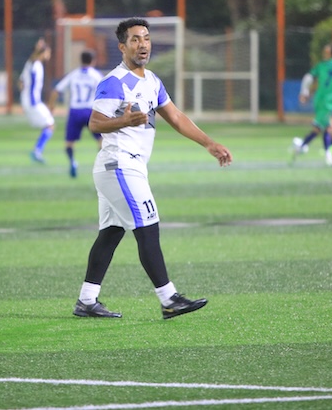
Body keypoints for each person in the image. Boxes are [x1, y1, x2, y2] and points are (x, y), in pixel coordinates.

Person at [73, 17, 233, 320]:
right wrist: (124, 120)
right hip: (119, 165)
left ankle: (87, 300)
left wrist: (209, 143)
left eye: (145, 38)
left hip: (126, 167)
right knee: (148, 227)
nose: (142, 44)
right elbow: (95, 123)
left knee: (111, 233)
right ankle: (169, 299)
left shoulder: (152, 82)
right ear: (122, 47)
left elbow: (177, 117)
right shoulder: (114, 82)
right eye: (134, 39)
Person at [47, 49, 103, 178]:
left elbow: (56, 90)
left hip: (75, 111)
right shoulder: (96, 75)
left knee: (69, 142)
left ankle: (72, 162)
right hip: (90, 111)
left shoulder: (73, 74)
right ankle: (100, 165)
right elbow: (106, 92)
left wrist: (51, 106)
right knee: (102, 140)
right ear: (93, 61)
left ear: (81, 60)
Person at [18, 37, 55, 164]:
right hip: (32, 102)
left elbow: (21, 82)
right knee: (50, 124)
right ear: (43, 53)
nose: (49, 55)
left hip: (30, 100)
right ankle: (37, 151)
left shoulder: (30, 63)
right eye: (48, 52)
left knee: (49, 124)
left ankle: (37, 151)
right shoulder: (35, 64)